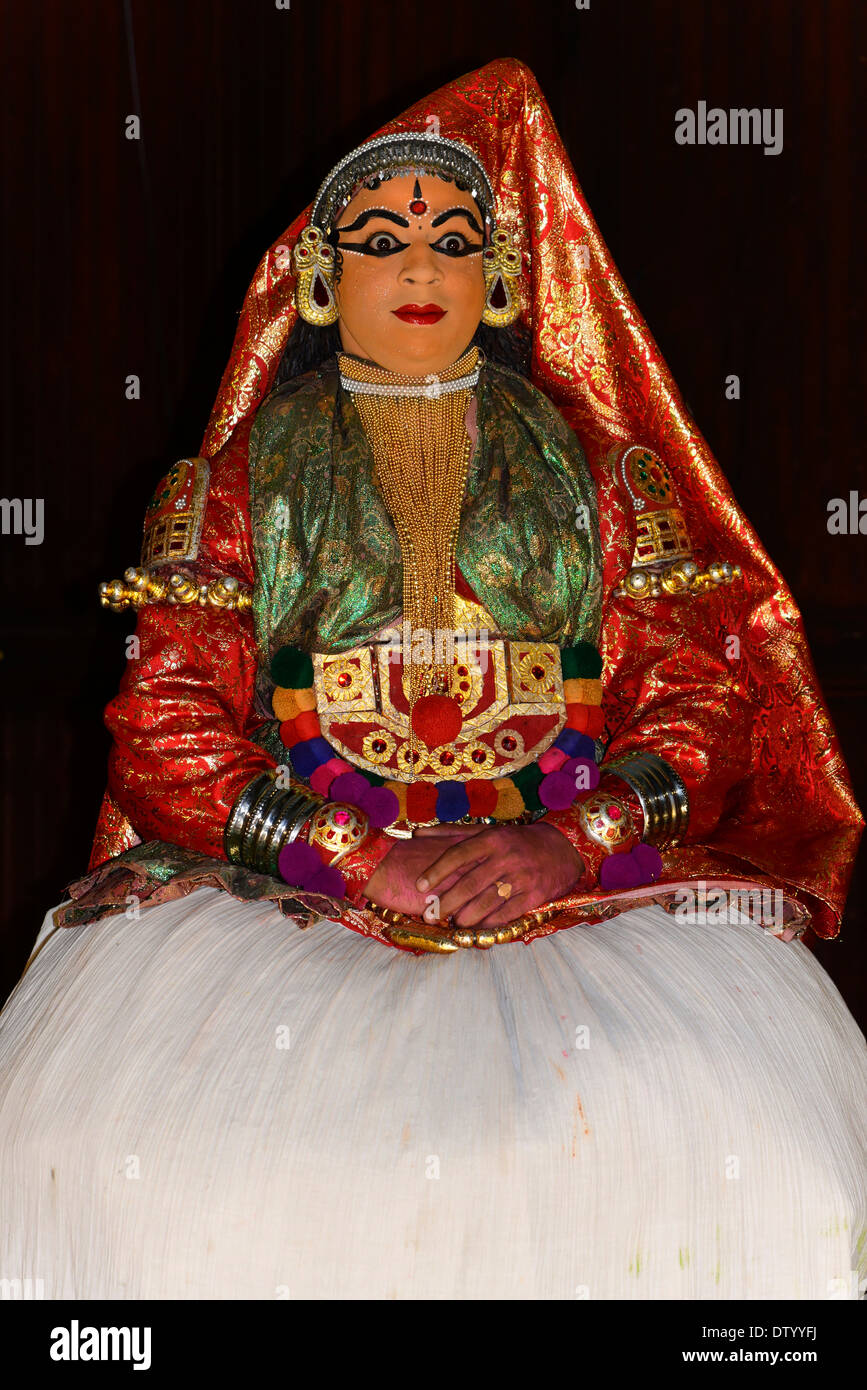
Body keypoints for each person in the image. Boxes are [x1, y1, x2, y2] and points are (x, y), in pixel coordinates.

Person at [0, 58, 864, 1300]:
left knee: (764, 1159)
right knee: (84, 1157)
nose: (420, 269)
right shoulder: (231, 490)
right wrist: (358, 859)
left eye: (455, 241)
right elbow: (164, 728)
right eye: (384, 241)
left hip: (572, 878)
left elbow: (699, 699)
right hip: (289, 893)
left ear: (500, 278)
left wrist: (575, 840)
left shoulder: (605, 478)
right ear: (321, 278)